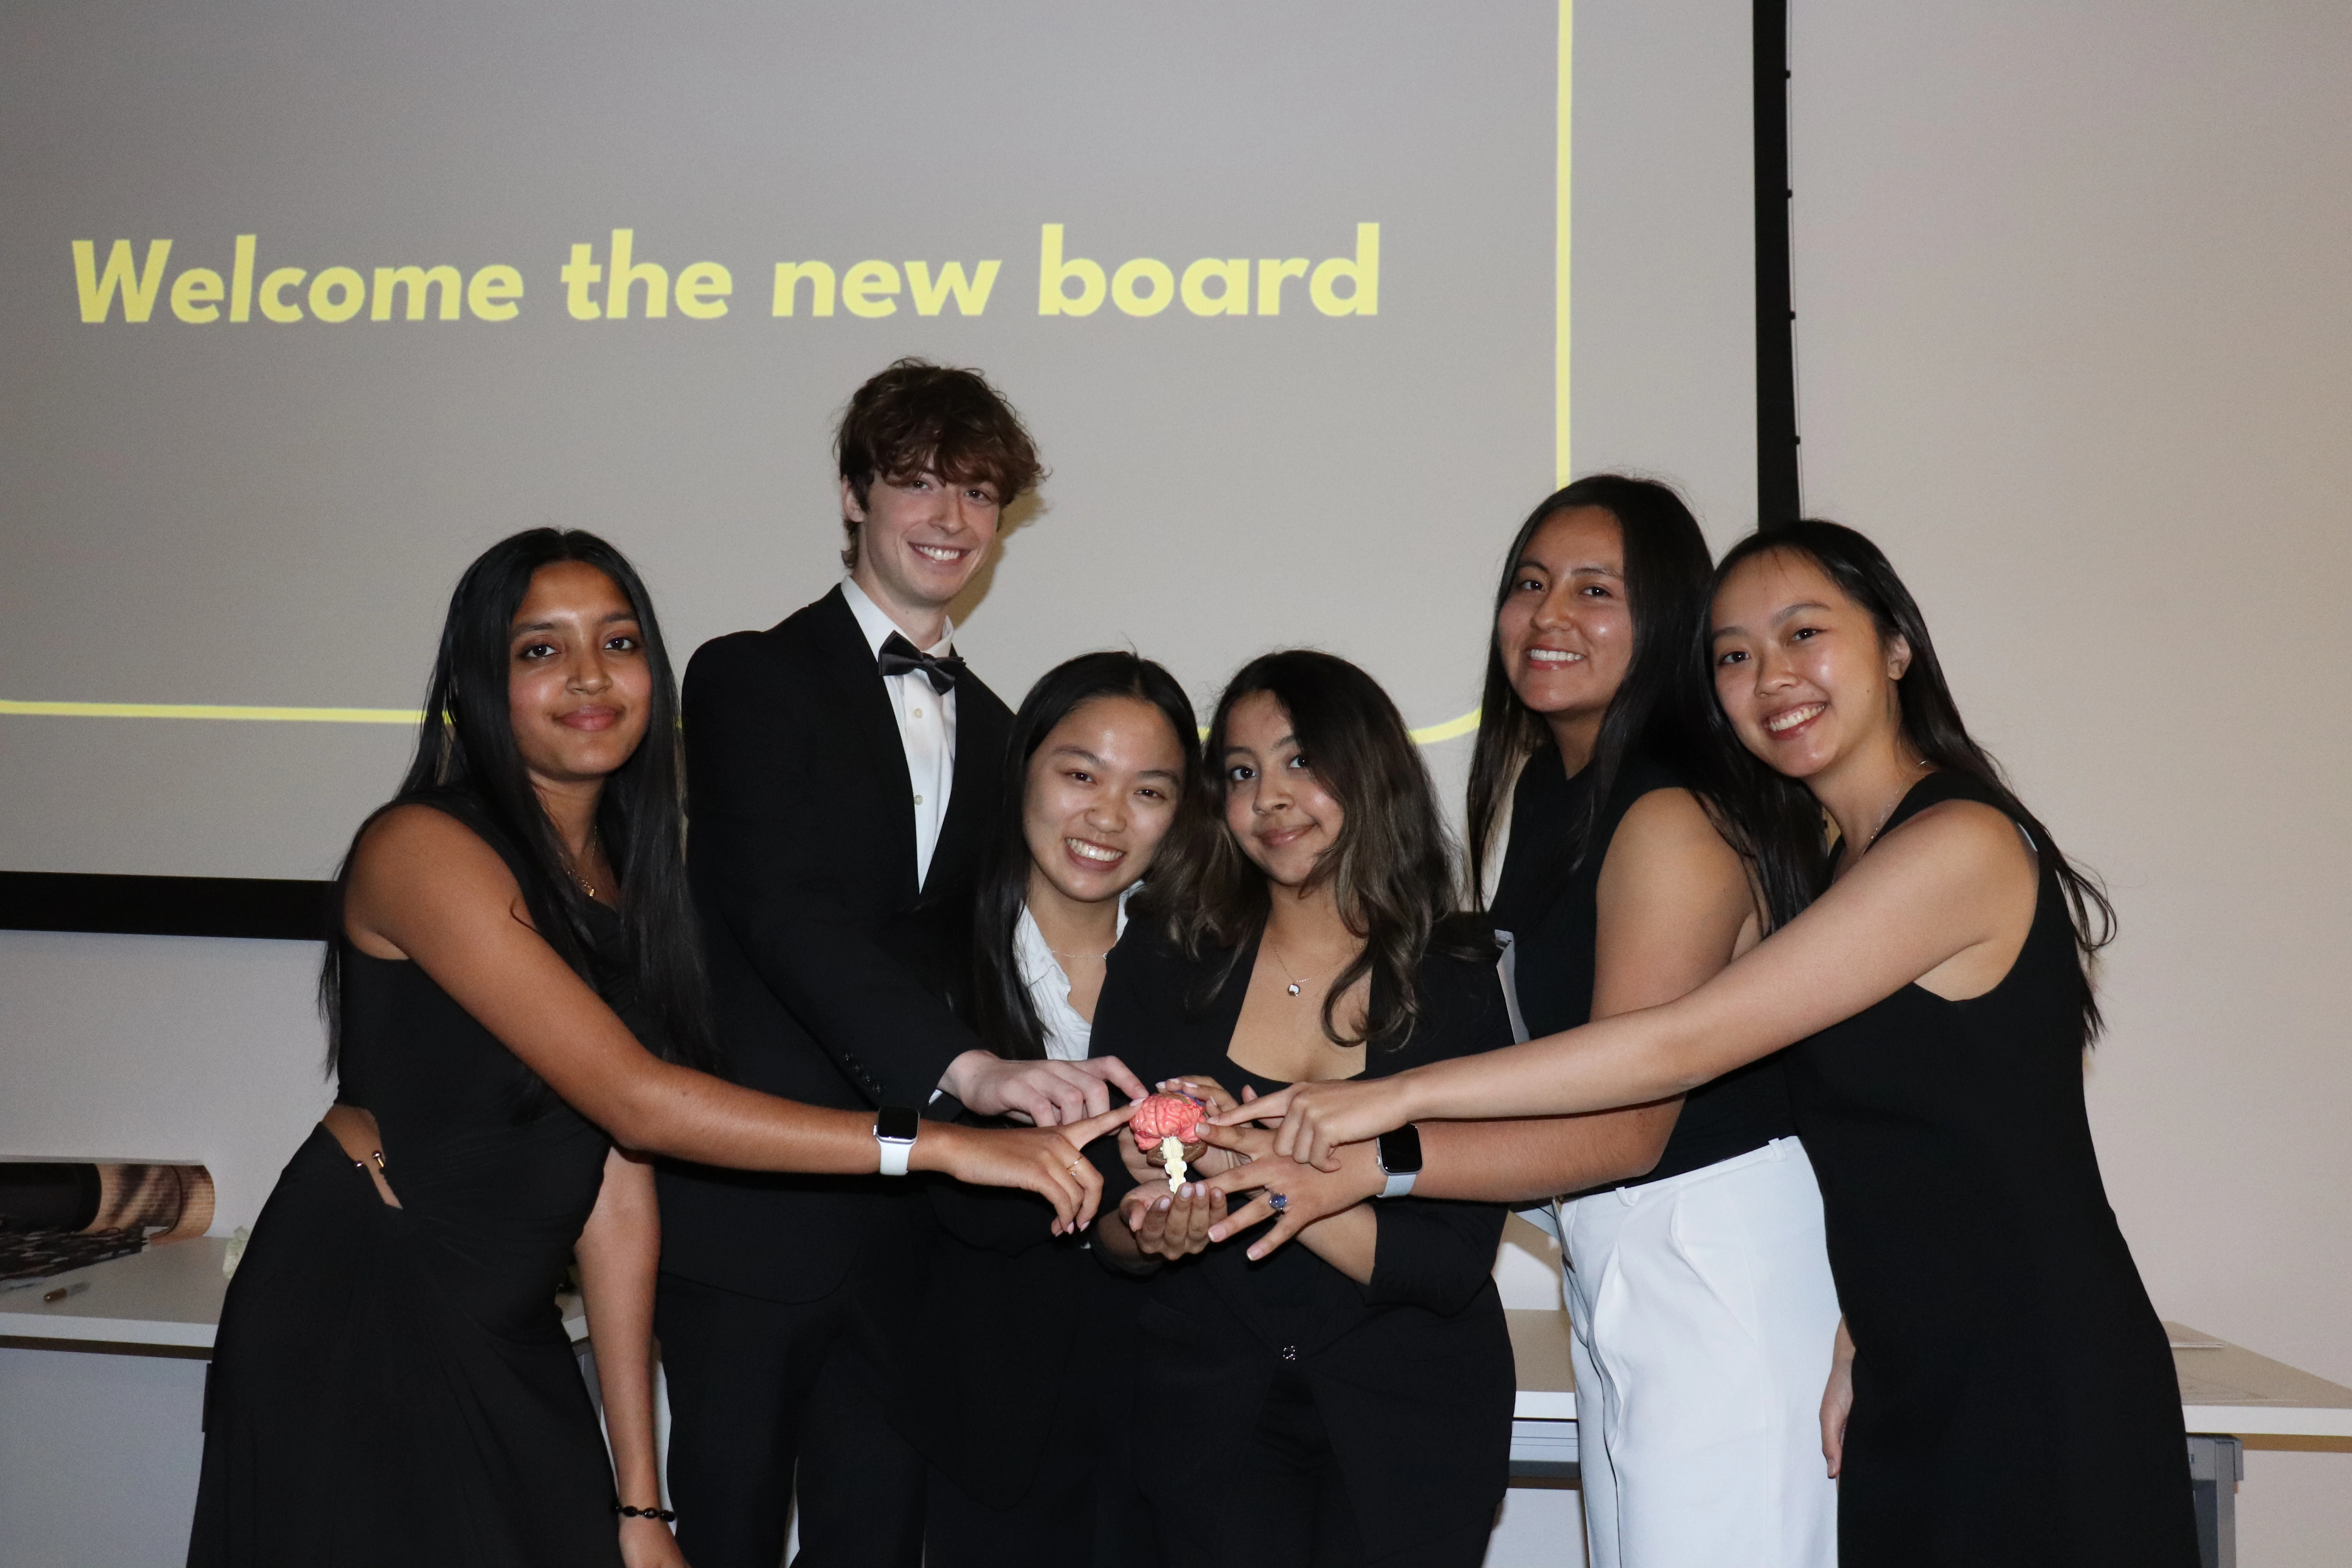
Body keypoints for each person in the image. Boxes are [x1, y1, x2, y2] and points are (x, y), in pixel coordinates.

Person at [1238, 523, 2201, 1567]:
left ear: (1895, 646)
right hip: (1912, 1359)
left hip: (2035, 1365)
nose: (1769, 677)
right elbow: (1905, 1150)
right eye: (1735, 655)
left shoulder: (1955, 847)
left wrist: (1390, 1103)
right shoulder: (1834, 866)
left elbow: (1681, 1045)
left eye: (1802, 635)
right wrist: (1861, 1327)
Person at [188, 529, 1121, 1568]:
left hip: (508, 1322)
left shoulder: (637, 886)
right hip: (365, 1304)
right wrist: (944, 1143)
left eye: (620, 642)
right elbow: (640, 1099)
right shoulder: (425, 850)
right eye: (541, 650)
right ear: (475, 687)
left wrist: (642, 1503)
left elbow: (619, 1184)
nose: (590, 676)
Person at [1205, 477, 1841, 1565]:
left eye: (1597, 589)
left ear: (1671, 618)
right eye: (1530, 584)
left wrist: (1380, 1157)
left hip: (1712, 1260)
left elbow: (1629, 1125)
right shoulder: (1563, 795)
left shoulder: (1671, 814)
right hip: (1629, 1257)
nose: (1550, 617)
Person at [658, 360, 1149, 1568]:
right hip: (756, 1221)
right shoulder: (747, 678)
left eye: (979, 495)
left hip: (918, 1252)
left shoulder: (1001, 735)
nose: (949, 519)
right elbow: (784, 915)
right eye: (918, 482)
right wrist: (966, 1072)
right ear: (852, 496)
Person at [1091, 650, 1517, 1568]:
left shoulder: (1460, 982)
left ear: (1370, 772)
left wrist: (1245, 1166)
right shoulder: (1162, 961)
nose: (1269, 799)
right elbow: (1105, 1226)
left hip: (1413, 1427)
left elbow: (1446, 1264)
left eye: (1300, 761)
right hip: (1209, 1422)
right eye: (1240, 773)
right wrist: (1153, 1220)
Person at [895, 651, 1200, 1568]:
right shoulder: (918, 958)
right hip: (977, 1420)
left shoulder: (1203, 965)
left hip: (1173, 1422)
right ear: (1021, 765)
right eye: (1079, 774)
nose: (1107, 816)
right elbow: (952, 1195)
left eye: (1149, 791)